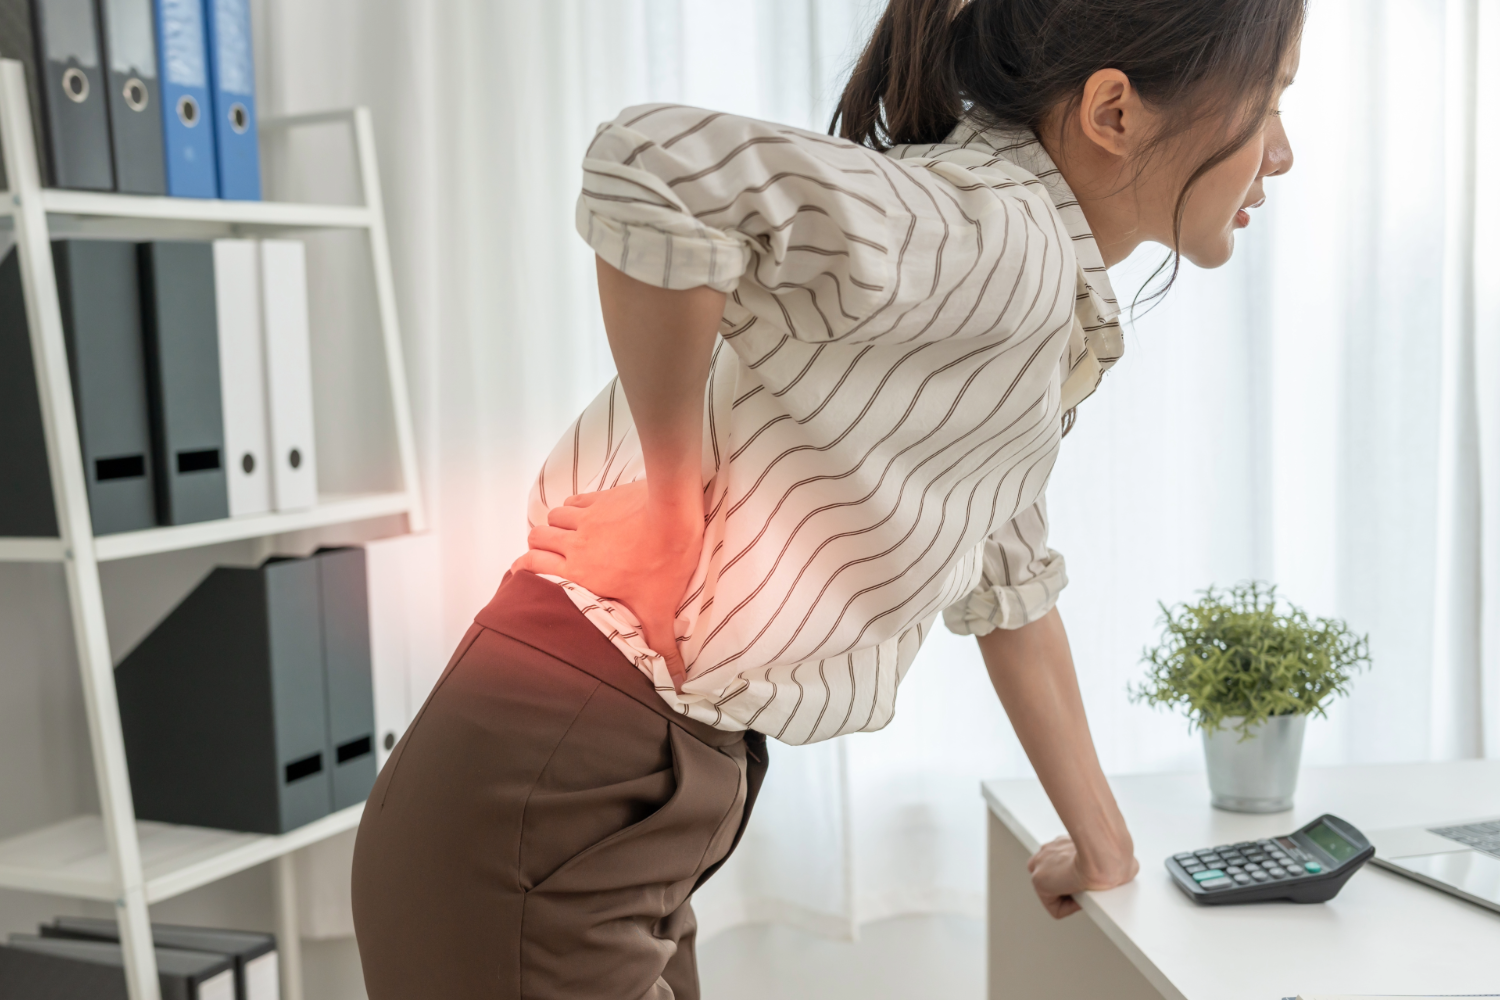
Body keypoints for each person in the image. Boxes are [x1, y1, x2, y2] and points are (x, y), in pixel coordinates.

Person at [351, 1, 1301, 996]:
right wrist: (673, 504)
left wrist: (1101, 842)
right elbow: (656, 165)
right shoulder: (1000, 242)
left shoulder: (1025, 297)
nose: (1279, 153)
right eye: (1268, 102)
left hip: (607, 792)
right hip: (562, 783)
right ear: (1115, 112)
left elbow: (1010, 582)